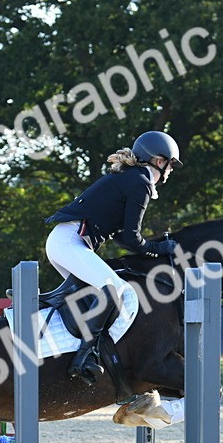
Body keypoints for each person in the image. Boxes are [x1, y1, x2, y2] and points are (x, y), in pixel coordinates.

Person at [43, 131, 182, 384]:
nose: (171, 170)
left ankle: (74, 345)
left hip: (64, 242)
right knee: (117, 290)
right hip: (69, 242)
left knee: (95, 296)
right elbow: (132, 239)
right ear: (159, 161)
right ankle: (84, 357)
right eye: (171, 164)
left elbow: (121, 235)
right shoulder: (140, 182)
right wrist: (164, 249)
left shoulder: (131, 178)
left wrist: (154, 246)